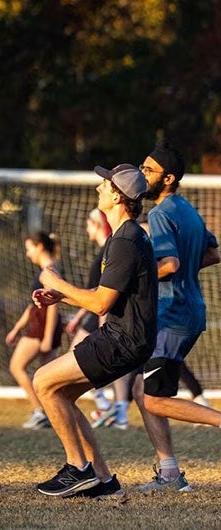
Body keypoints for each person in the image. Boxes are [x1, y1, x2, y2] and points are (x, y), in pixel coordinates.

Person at [31, 163, 156, 499]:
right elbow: (107, 299)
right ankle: (103, 481)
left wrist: (55, 280)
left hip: (123, 340)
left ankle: (78, 469)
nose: (99, 188)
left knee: (42, 380)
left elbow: (100, 304)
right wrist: (61, 294)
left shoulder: (126, 239)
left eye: (105, 185)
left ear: (118, 196)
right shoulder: (124, 237)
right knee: (63, 395)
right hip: (124, 337)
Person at [131, 140, 221, 493]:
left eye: (147, 170)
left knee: (152, 398)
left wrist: (136, 276)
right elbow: (214, 253)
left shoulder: (159, 213)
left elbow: (168, 264)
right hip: (189, 309)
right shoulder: (187, 209)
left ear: (167, 178)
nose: (141, 174)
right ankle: (168, 472)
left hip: (172, 313)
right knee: (145, 390)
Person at [65, 209, 134, 431]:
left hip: (100, 315)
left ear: (96, 224)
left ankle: (109, 406)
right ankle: (111, 407)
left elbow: (103, 293)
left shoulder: (111, 249)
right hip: (95, 313)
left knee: (77, 360)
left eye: (87, 224)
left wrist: (99, 321)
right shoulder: (106, 250)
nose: (86, 229)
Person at [5, 232, 64, 429]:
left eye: (29, 248)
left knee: (16, 366)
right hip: (40, 325)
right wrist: (16, 328)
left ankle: (40, 411)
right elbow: (33, 305)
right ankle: (53, 414)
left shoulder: (49, 270)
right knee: (47, 378)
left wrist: (47, 336)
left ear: (39, 247)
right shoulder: (45, 269)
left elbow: (54, 305)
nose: (27, 254)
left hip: (42, 328)